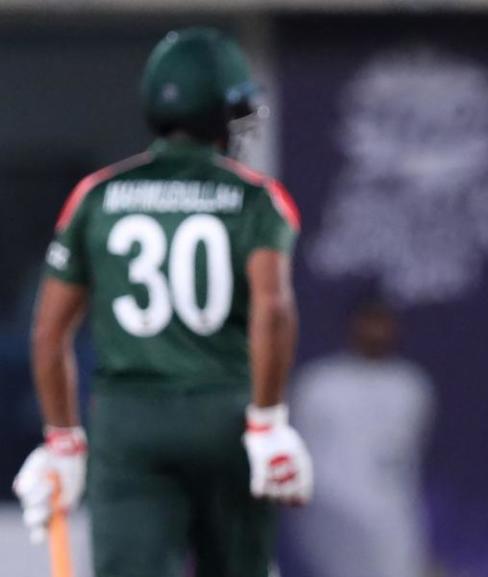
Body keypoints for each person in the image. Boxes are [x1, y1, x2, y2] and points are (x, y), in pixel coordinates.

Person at [12, 27, 313, 577]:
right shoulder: (254, 197)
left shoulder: (98, 195)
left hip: (129, 422)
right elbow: (273, 309)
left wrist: (62, 440)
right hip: (226, 409)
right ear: (219, 111)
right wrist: (268, 421)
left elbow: (49, 332)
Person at [283, 300, 435, 577]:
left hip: (393, 512)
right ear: (353, 326)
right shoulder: (320, 382)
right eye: (369, 323)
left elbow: (411, 449)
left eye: (383, 324)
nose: (376, 332)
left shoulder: (410, 384)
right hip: (331, 509)